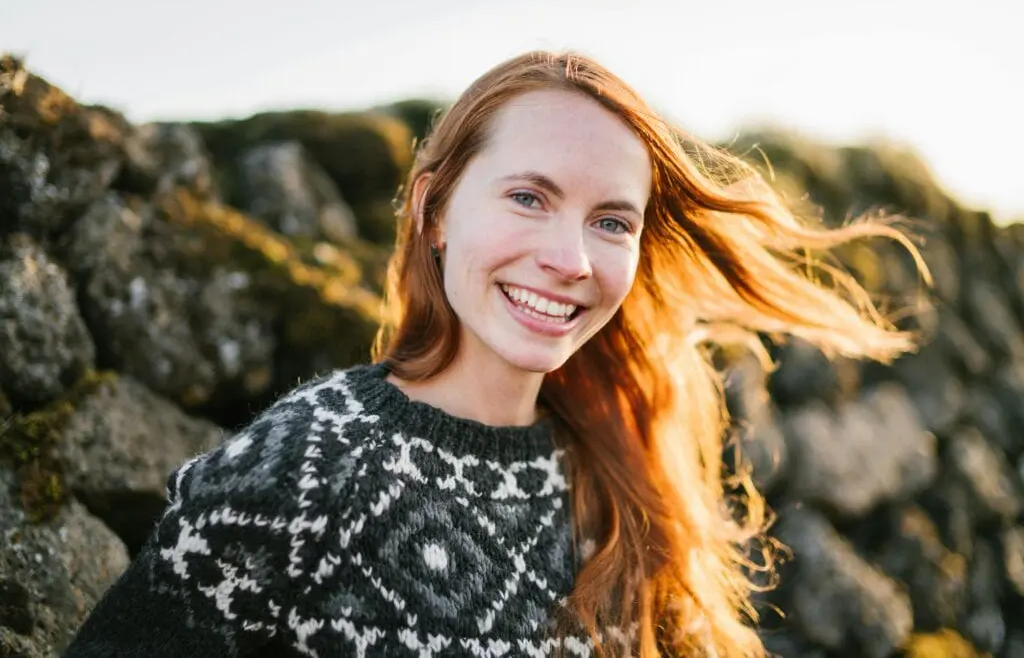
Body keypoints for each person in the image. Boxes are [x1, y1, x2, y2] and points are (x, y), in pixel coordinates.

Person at [63, 50, 927, 657]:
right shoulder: (302, 465)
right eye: (527, 196)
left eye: (611, 221)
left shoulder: (623, 473)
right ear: (435, 210)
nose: (572, 259)